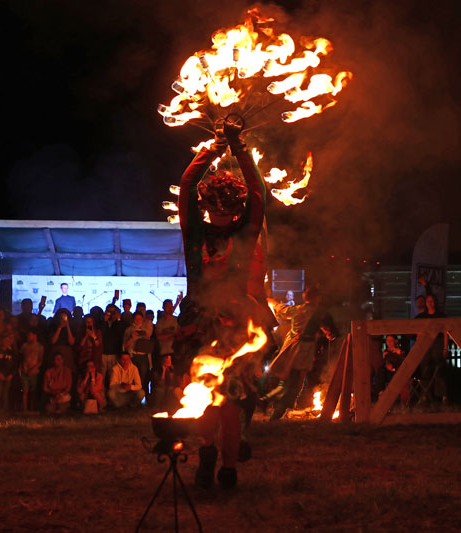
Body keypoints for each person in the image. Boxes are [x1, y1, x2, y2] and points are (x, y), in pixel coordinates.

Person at [177, 117, 269, 490]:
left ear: (237, 208)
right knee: (203, 398)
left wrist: (239, 147)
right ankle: (207, 452)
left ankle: (228, 467)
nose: (222, 213)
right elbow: (185, 187)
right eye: (215, 207)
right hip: (199, 323)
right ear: (206, 207)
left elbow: (259, 192)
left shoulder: (245, 235)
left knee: (231, 401)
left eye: (229, 207)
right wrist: (213, 148)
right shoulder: (195, 234)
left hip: (236, 329)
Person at [266, 285, 330, 420]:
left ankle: (274, 404)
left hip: (294, 347)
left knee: (289, 380)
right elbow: (329, 330)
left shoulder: (298, 310)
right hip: (301, 352)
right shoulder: (319, 313)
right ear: (317, 298)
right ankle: (275, 411)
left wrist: (270, 301)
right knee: (294, 384)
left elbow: (280, 310)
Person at [414, 294, 449, 404]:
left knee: (439, 368)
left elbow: (445, 333)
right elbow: (418, 333)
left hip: (437, 344)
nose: (430, 303)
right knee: (425, 369)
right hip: (425, 344)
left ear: (435, 302)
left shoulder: (441, 316)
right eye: (428, 301)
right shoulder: (421, 317)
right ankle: (425, 395)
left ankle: (443, 396)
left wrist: (445, 347)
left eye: (432, 301)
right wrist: (419, 347)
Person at [0, 331, 18, 414]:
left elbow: (15, 365)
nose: (7, 341)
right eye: (6, 339)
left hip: (8, 376)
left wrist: (11, 374)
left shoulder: (12, 353)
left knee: (6, 394)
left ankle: (4, 410)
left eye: (9, 340)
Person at [19, 328, 44, 412]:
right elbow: (21, 358)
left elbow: (41, 360)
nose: (28, 337)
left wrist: (34, 368)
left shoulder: (39, 347)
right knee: (25, 390)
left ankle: (32, 408)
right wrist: (22, 367)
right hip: (24, 371)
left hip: (34, 372)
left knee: (33, 391)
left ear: (34, 336)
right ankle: (25, 409)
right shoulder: (24, 346)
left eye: (29, 335)